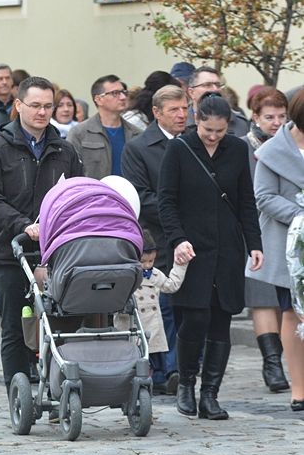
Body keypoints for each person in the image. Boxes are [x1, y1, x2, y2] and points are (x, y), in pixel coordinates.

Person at [158, 92, 263, 420]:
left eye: (219, 130)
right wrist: (177, 240)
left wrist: (254, 243)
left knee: (221, 321)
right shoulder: (179, 149)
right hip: (191, 248)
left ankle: (210, 394)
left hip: (228, 248)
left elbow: (246, 200)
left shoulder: (237, 148)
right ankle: (186, 383)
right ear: (196, 119)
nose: (214, 136)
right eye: (207, 130)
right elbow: (166, 201)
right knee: (195, 317)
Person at [0, 76, 83, 391]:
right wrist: (22, 224)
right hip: (9, 251)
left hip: (55, 253)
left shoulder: (65, 149)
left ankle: (54, 384)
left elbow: (77, 193)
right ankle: (18, 390)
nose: (42, 112)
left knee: (55, 322)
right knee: (14, 325)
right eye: (35, 105)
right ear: (19, 105)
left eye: (48, 106)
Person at [122, 84, 189, 395]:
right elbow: (142, 197)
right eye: (174, 109)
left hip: (196, 238)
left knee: (191, 306)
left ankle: (183, 366)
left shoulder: (193, 143)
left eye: (185, 108)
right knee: (163, 307)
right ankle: (166, 369)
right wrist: (180, 216)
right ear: (157, 112)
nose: (181, 114)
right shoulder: (139, 148)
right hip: (158, 239)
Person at [247, 88, 304, 411]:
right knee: (293, 312)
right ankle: (299, 389)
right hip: (291, 244)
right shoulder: (272, 152)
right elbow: (265, 197)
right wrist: (300, 215)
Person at [240, 87, 291, 393]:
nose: (275, 122)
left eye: (281, 116)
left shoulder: (291, 145)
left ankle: (285, 360)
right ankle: (272, 364)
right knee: (262, 299)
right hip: (255, 230)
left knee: (288, 302)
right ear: (255, 117)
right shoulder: (244, 146)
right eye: (269, 117)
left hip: (290, 231)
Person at [113, 230, 188, 359]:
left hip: (152, 328)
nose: (147, 266)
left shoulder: (155, 274)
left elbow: (171, 285)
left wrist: (180, 265)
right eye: (143, 262)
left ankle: (161, 375)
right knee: (132, 357)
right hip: (131, 325)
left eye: (151, 261)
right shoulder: (124, 275)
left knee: (153, 357)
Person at [67, 74, 142, 180]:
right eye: (115, 93)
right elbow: (71, 173)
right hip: (93, 194)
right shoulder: (79, 133)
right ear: (98, 99)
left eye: (124, 92)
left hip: (129, 194)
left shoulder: (137, 134)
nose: (123, 97)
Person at [186, 66, 250, 136]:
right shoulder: (181, 122)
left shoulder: (239, 123)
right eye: (207, 85)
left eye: (218, 85)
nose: (215, 89)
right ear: (191, 92)